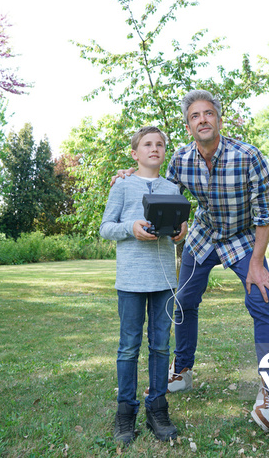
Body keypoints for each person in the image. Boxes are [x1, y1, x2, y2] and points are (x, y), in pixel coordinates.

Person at [114, 90, 269, 432]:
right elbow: (163, 191)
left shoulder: (250, 157)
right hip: (205, 234)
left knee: (262, 300)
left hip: (243, 238)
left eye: (208, 114)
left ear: (219, 120)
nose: (203, 120)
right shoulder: (180, 160)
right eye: (195, 116)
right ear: (188, 125)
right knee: (182, 302)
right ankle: (182, 370)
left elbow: (265, 215)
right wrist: (128, 175)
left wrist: (257, 263)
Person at [100, 126, 187, 446]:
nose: (155, 148)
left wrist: (181, 232)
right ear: (135, 153)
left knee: (161, 346)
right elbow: (106, 228)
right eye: (147, 144)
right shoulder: (122, 186)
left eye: (160, 144)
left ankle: (157, 408)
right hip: (131, 281)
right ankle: (125, 412)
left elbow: (179, 226)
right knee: (128, 347)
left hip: (163, 279)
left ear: (165, 152)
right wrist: (130, 228)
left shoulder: (172, 188)